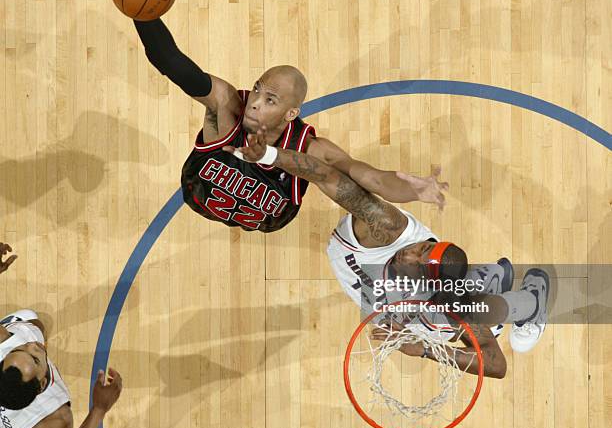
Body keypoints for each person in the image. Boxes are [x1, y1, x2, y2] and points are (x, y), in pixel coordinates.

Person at [105, 0, 447, 231]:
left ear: (290, 114)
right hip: (199, 194)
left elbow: (371, 177)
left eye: (271, 99)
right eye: (257, 89)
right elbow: (171, 62)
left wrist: (414, 191)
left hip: (268, 217)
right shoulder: (227, 106)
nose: (254, 101)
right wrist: (142, 13)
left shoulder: (312, 149)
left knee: (361, 199)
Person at [227, 128, 551, 378]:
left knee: (469, 315)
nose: (409, 255)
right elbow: (326, 174)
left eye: (419, 263)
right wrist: (268, 156)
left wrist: (425, 350)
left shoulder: (447, 297)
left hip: (437, 310)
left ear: (431, 282)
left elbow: (496, 365)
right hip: (379, 270)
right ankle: (512, 291)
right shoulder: (387, 229)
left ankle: (528, 301)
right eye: (422, 248)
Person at [0, 310, 122, 428]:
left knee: (31, 321)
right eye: (35, 360)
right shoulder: (53, 420)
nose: (32, 346)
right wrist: (99, 408)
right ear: (42, 384)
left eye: (17, 349)